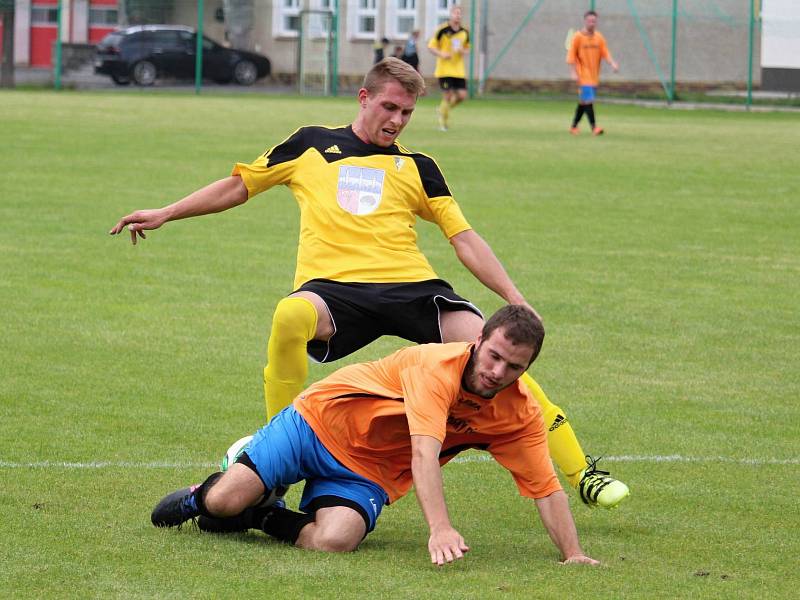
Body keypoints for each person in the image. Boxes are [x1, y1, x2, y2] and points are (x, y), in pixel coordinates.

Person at [109, 58, 629, 510]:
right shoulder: (310, 144)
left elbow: (462, 237)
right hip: (334, 289)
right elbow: (238, 185)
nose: (397, 121)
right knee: (290, 316)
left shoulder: (418, 166)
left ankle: (582, 472)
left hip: (411, 286)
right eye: (389, 108)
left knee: (493, 350)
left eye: (406, 113)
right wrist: (167, 212)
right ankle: (276, 451)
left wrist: (516, 302)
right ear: (364, 98)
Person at [151, 306, 600, 566]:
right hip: (318, 421)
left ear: (528, 368)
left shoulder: (518, 414)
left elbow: (545, 488)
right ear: (478, 340)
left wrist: (573, 554)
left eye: (513, 367)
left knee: (335, 541)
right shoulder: (435, 369)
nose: (496, 372)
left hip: (369, 470)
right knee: (222, 501)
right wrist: (439, 528)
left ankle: (261, 515)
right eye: (494, 356)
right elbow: (425, 454)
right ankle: (203, 499)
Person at [567, 10, 619, 136]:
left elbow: (605, 52)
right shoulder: (578, 37)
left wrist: (612, 63)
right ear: (585, 21)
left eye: (594, 21)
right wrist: (573, 73)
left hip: (594, 75)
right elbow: (571, 57)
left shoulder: (599, 37)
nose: (592, 23)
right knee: (589, 100)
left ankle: (573, 127)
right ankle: (594, 128)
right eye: (590, 21)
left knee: (584, 102)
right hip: (582, 75)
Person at [427, 5, 469, 131]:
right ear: (451, 14)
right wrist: (442, 54)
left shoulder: (465, 32)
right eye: (456, 13)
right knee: (448, 95)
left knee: (462, 96)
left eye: (460, 14)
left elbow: (468, 48)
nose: (458, 16)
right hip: (444, 69)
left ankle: (442, 110)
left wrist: (463, 50)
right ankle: (443, 124)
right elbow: (431, 46)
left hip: (458, 69)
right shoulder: (442, 30)